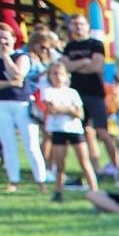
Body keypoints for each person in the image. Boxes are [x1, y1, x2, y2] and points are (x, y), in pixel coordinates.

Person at [0, 24, 46, 194]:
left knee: (31, 144)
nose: (2, 41)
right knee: (8, 144)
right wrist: (9, 83)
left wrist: (6, 57)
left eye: (5, 38)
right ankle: (13, 180)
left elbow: (19, 74)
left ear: (13, 39)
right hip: (0, 103)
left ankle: (41, 181)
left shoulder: (22, 56)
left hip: (22, 103)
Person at [60, 13, 118, 175]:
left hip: (95, 93)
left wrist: (76, 65)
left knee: (102, 132)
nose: (78, 27)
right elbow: (65, 67)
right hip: (77, 95)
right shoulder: (69, 47)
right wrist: (85, 62)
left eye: (81, 24)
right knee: (85, 132)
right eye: (75, 24)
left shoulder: (96, 44)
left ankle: (118, 166)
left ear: (87, 26)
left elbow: (96, 67)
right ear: (70, 27)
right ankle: (95, 168)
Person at [39, 61, 97, 203]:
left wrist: (64, 109)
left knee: (84, 162)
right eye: (55, 74)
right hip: (58, 130)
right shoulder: (48, 92)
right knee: (60, 165)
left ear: (66, 76)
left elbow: (80, 114)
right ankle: (58, 192)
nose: (58, 77)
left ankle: (95, 190)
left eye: (61, 74)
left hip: (75, 130)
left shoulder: (72, 92)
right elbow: (51, 110)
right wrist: (70, 109)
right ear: (50, 76)